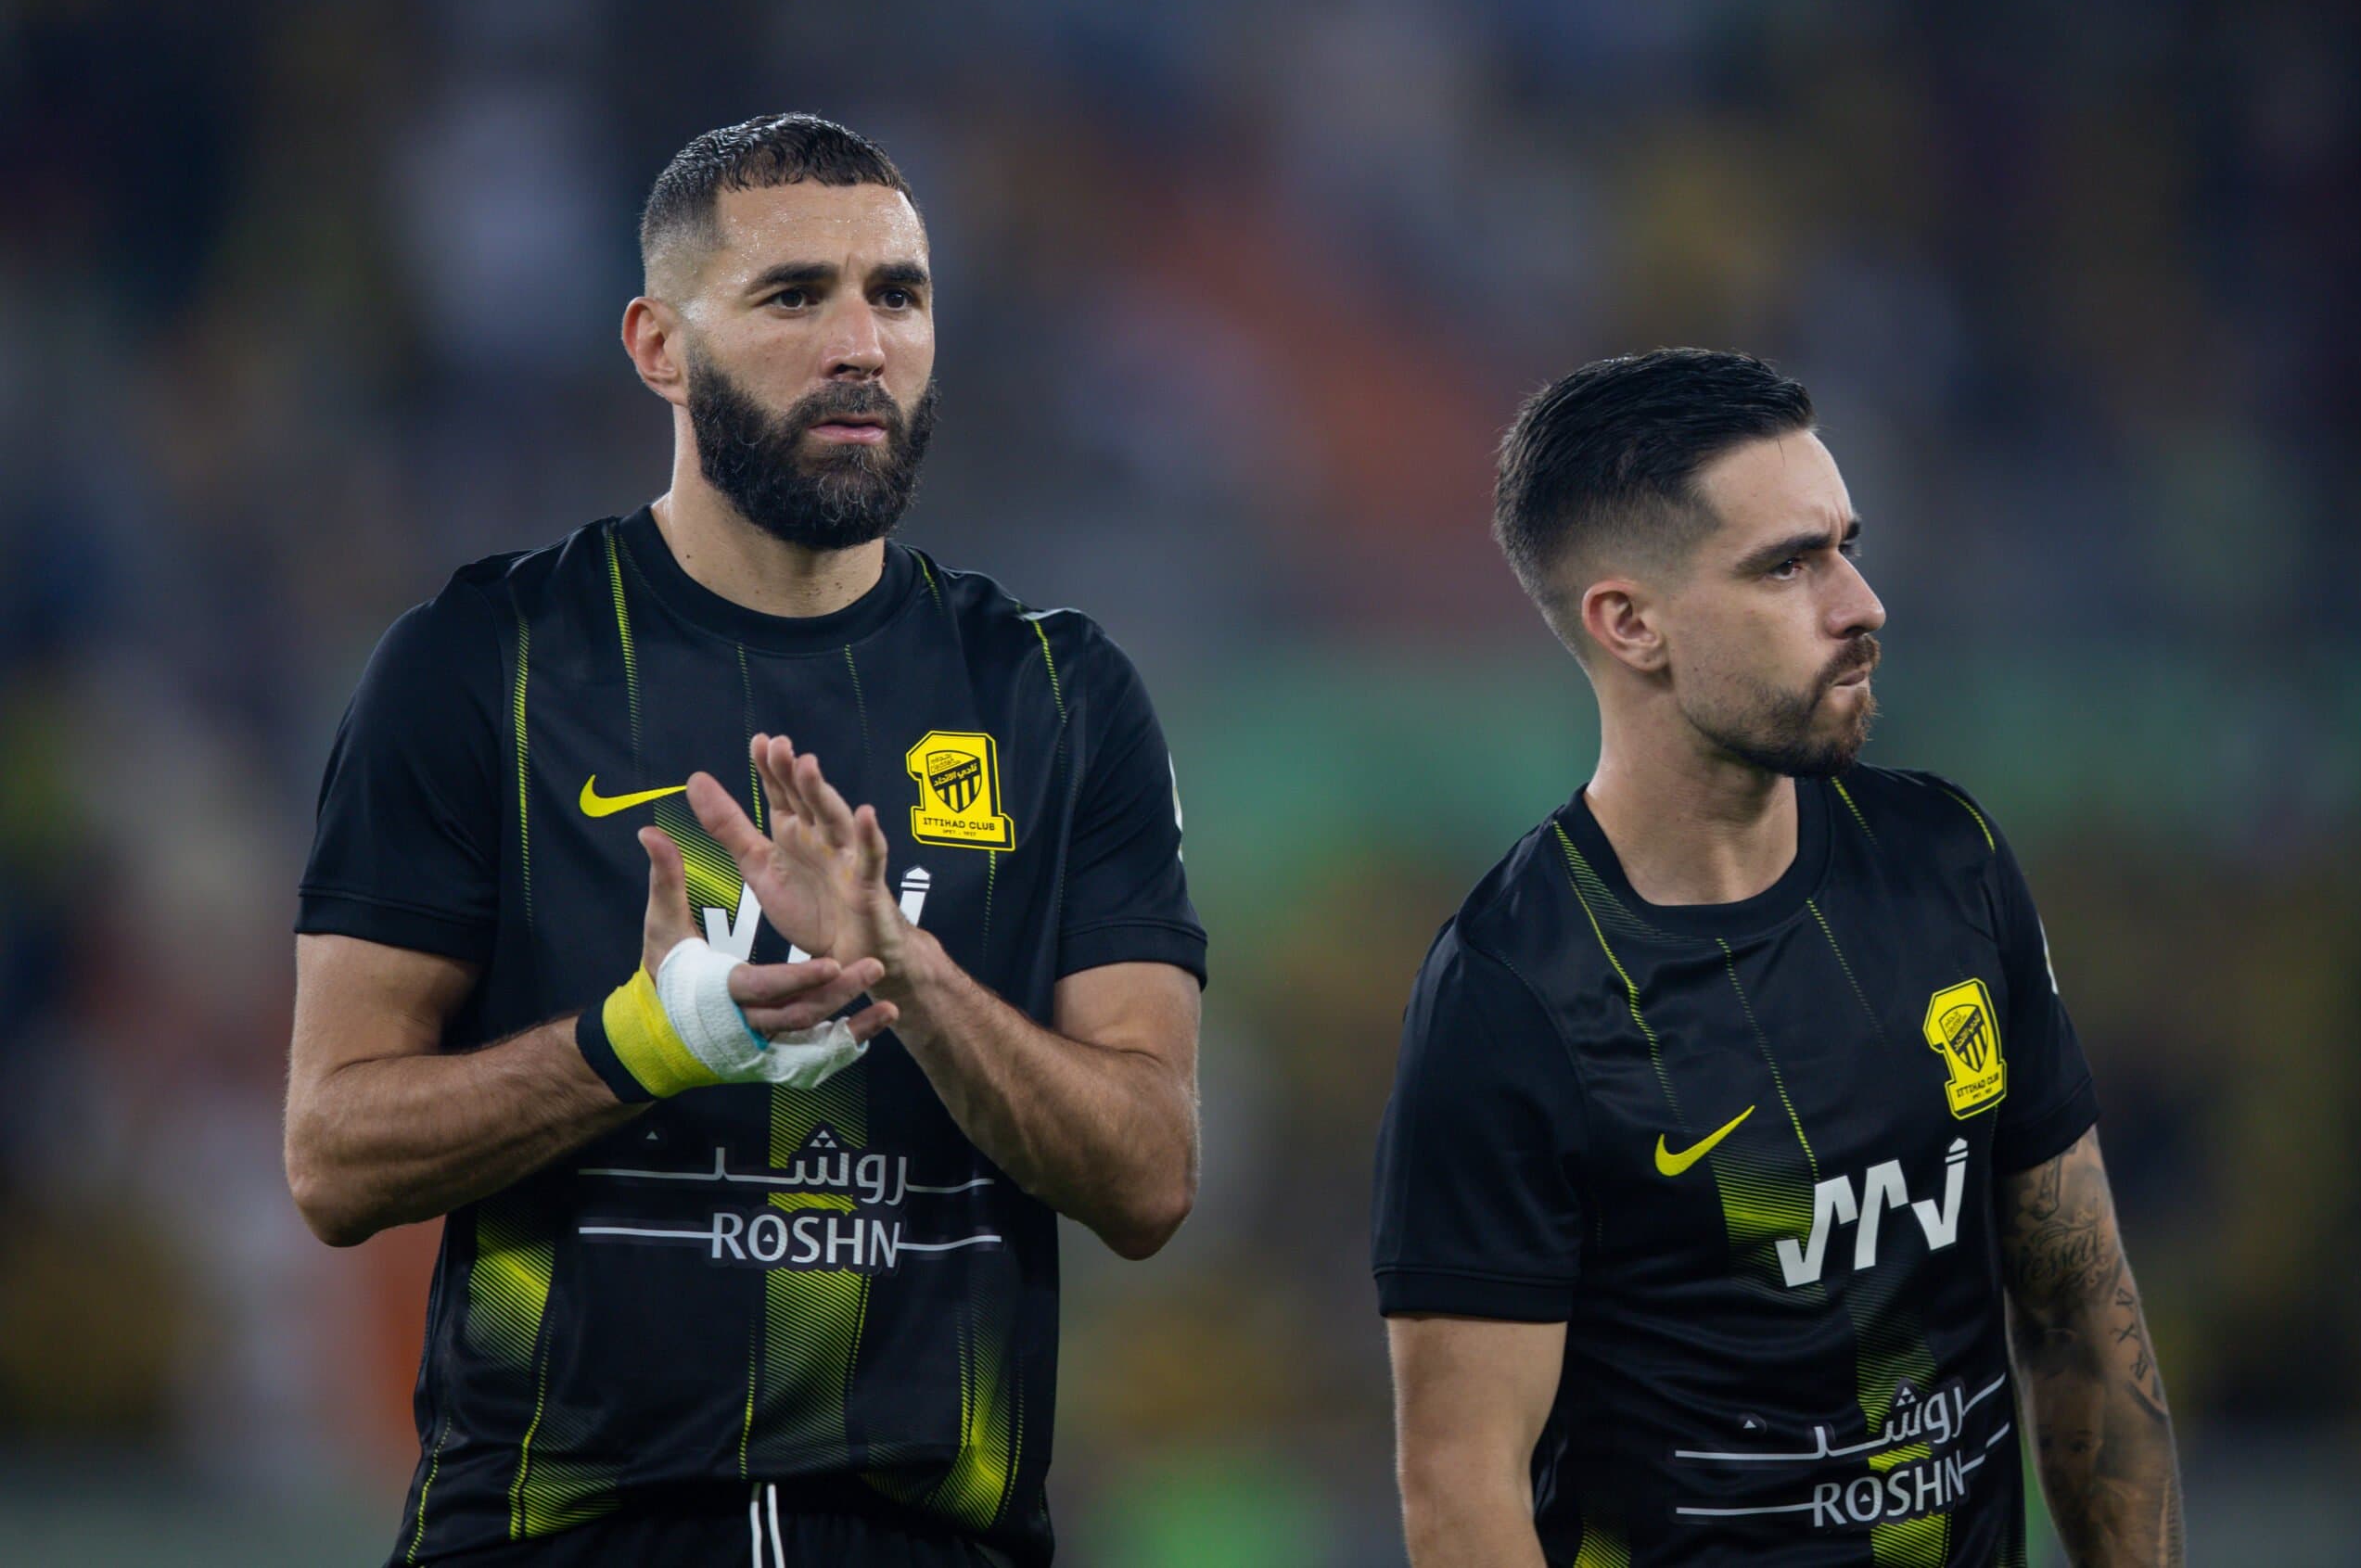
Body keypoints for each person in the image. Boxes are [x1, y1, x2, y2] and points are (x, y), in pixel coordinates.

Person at [285, 113, 1206, 1568]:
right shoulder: (484, 663)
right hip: (556, 1529)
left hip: (927, 1538)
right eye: (795, 297)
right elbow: (333, 1155)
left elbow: (1149, 1175)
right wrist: (648, 1042)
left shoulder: (1054, 692)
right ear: (659, 345)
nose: (862, 344)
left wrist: (914, 979)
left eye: (896, 295)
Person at [1371, 350, 2182, 1565]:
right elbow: (1461, 1494)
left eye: (1845, 544)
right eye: (1790, 564)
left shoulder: (1948, 863)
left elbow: (2081, 1319)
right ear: (1630, 623)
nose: (1861, 603)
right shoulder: (1509, 992)